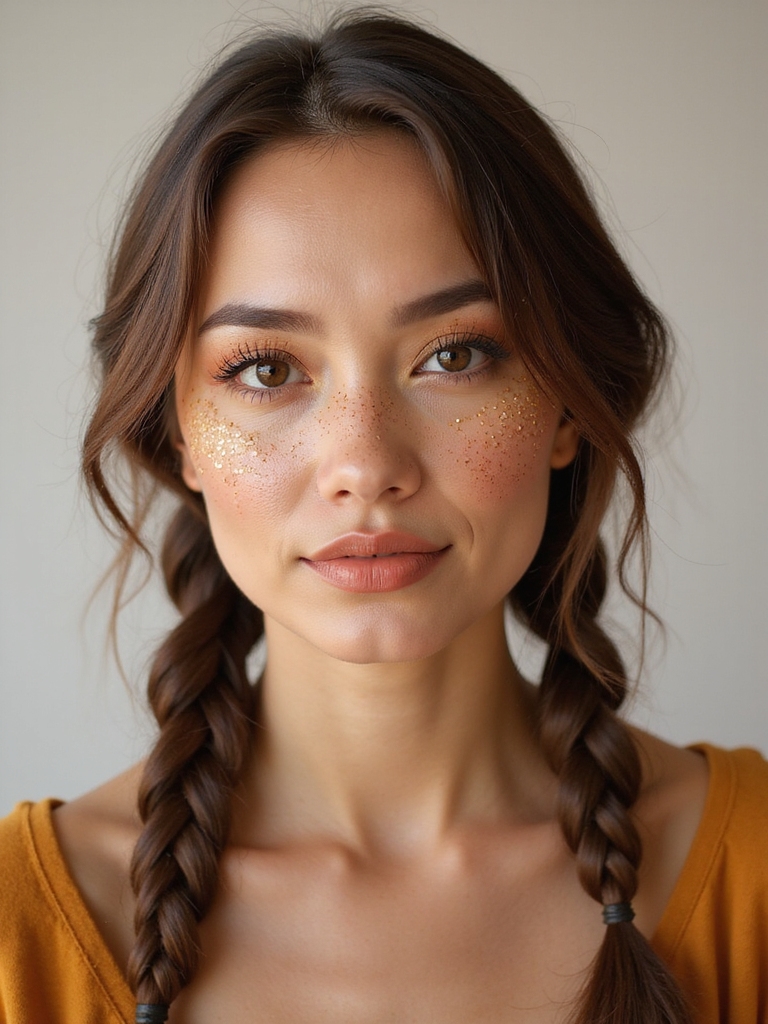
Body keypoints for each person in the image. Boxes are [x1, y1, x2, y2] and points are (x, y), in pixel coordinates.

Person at [1, 10, 765, 1024]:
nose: (365, 465)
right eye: (265, 369)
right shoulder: (23, 930)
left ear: (569, 406)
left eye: (455, 354)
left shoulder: (751, 874)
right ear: (177, 429)